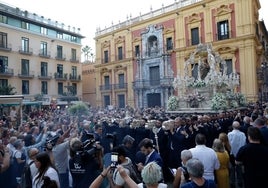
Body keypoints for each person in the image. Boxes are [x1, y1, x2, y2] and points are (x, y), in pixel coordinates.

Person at [227, 121, 246, 188]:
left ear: (232, 126)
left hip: (231, 153)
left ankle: (232, 182)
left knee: (232, 169)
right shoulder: (242, 134)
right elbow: (244, 144)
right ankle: (239, 181)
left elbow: (228, 144)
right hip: (240, 153)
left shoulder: (229, 134)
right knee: (239, 168)